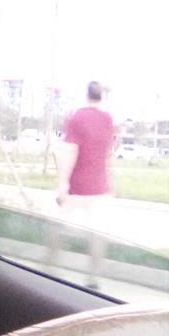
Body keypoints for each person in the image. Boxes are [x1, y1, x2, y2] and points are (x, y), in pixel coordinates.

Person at [52, 80, 116, 289]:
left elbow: (70, 151)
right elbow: (108, 155)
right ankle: (93, 278)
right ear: (101, 96)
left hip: (77, 188)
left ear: (86, 94)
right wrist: (110, 183)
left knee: (56, 226)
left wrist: (62, 184)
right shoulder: (108, 119)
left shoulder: (77, 117)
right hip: (100, 189)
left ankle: (50, 270)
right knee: (98, 235)